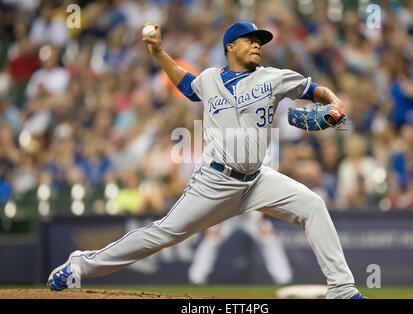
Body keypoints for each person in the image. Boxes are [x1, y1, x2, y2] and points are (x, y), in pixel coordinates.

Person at [47, 21, 367, 299]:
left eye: (261, 41)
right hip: (215, 180)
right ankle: (80, 264)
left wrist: (335, 102)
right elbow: (186, 83)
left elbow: (316, 91)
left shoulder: (274, 77)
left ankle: (341, 288)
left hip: (257, 179)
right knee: (161, 234)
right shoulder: (211, 78)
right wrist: (159, 52)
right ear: (230, 46)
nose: (257, 44)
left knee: (313, 205)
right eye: (250, 39)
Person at [188, 210, 293, 286]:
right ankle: (196, 278)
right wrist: (215, 223)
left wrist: (262, 222)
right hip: (228, 213)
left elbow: (260, 194)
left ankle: (283, 278)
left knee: (269, 239)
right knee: (211, 240)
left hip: (251, 213)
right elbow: (220, 197)